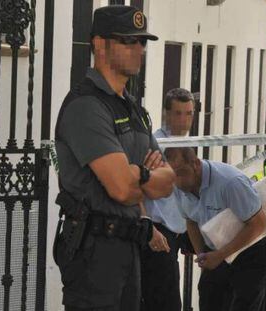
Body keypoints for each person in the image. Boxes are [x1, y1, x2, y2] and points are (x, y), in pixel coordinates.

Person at [53, 5, 175, 311]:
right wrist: (144, 176)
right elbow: (121, 189)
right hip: (94, 250)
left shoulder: (131, 107)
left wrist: (139, 176)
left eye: (142, 42)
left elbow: (169, 181)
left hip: (129, 245)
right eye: (128, 41)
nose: (138, 49)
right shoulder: (87, 106)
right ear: (99, 44)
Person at [165, 147, 266, 311]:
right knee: (209, 298)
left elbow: (259, 224)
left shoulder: (230, 183)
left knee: (244, 303)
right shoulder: (179, 187)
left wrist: (219, 255)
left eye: (180, 173)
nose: (177, 181)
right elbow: (191, 221)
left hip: (250, 250)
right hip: (215, 248)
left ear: (196, 164)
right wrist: (202, 254)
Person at [141, 88, 196, 311]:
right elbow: (138, 186)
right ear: (167, 114)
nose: (183, 120)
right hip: (158, 231)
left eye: (189, 113)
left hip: (176, 232)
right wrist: (148, 228)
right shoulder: (156, 145)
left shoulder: (187, 142)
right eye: (178, 113)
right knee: (166, 303)